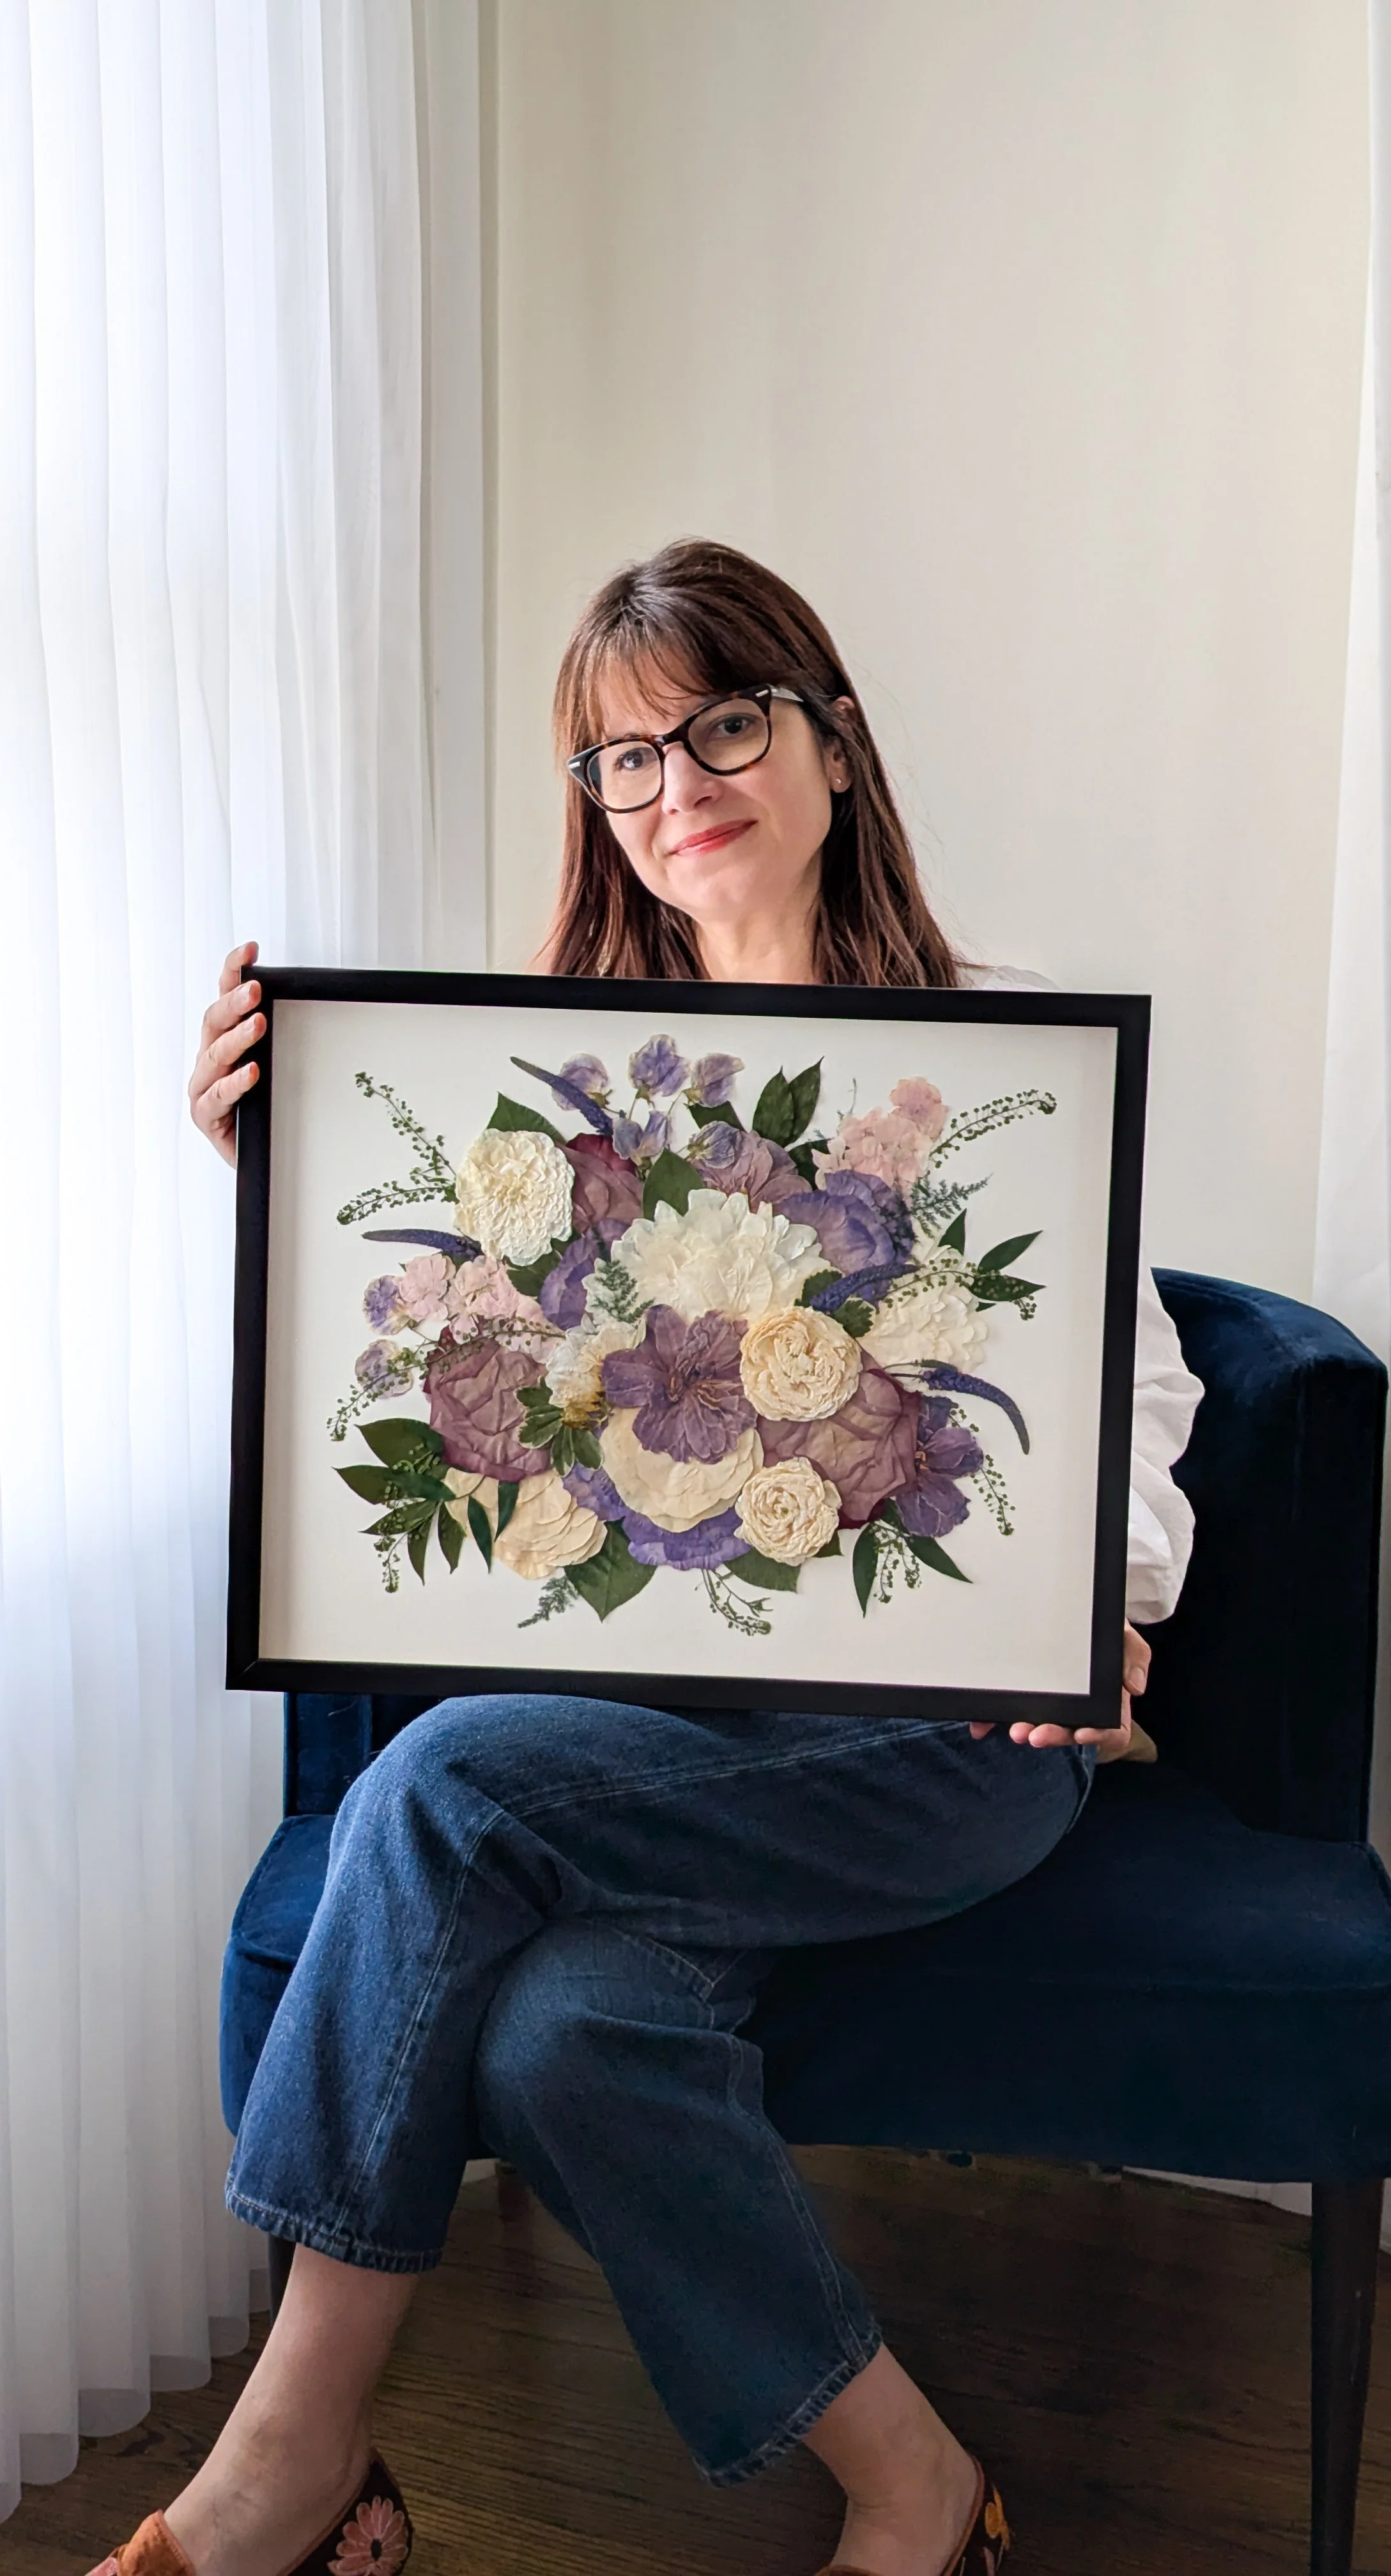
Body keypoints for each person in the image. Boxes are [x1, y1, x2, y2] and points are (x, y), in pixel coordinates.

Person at [97, 540, 1201, 2576]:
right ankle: (918, 2488)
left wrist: (1098, 1604)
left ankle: (291, 2460)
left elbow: (1130, 1397)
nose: (674, 781)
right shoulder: (558, 1094)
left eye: (720, 722)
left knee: (431, 1781)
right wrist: (294, 1176)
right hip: (660, 1731)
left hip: (938, 1741)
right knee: (562, 2032)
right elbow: (446, 1395)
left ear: (828, 743)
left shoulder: (987, 1071)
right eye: (618, 756)